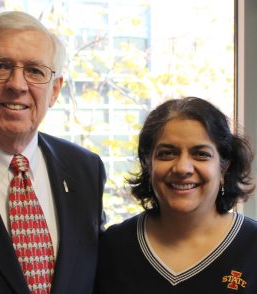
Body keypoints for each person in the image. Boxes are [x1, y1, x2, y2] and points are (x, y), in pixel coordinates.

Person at [0, 11, 106, 294]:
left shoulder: (86, 170)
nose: (17, 84)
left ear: (54, 91)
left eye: (35, 71)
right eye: (0, 66)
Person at [95, 96, 257, 293]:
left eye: (201, 154)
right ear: (148, 163)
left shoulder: (252, 246)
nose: (182, 168)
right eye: (166, 153)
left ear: (224, 167)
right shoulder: (113, 247)